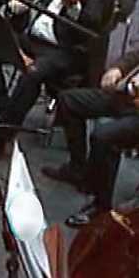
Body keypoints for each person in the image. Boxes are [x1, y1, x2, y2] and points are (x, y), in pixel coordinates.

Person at [0, 0, 116, 158]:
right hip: (36, 38)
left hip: (66, 49)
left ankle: (2, 135)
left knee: (32, 75)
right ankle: (3, 105)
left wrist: (73, 7)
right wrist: (20, 0)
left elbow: (90, 25)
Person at [42, 48, 139, 227]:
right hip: (126, 98)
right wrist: (118, 68)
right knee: (68, 101)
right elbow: (136, 54)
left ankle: (100, 205)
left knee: (103, 137)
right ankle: (77, 169)